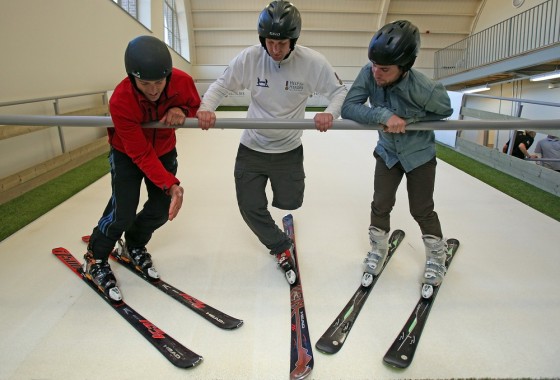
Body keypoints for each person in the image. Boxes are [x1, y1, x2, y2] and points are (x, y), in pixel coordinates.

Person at [196, 0, 347, 284]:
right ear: (262, 39)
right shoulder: (250, 58)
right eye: (270, 42)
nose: (276, 50)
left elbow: (339, 92)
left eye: (283, 43)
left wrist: (329, 113)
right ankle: (279, 246)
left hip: (289, 150)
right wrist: (207, 107)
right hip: (252, 146)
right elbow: (221, 85)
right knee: (250, 206)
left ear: (294, 40)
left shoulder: (312, 62)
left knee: (291, 202)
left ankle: (282, 215)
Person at [340, 20, 453, 295]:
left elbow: (445, 111)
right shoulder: (369, 73)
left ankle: (437, 255)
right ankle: (378, 249)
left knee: (421, 208)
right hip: (388, 153)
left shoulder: (425, 88)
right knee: (381, 203)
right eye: (374, 65)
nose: (376, 73)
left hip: (419, 156)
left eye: (385, 69)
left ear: (405, 67)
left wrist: (410, 118)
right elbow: (348, 108)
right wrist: (383, 115)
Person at [85, 35, 201, 301]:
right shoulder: (121, 100)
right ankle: (96, 256)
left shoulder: (182, 82)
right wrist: (171, 184)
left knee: (160, 210)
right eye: (145, 83)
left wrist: (180, 108)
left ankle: (133, 245)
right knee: (122, 211)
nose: (153, 90)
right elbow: (139, 152)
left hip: (164, 150)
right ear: (131, 77)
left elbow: (196, 106)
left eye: (159, 82)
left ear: (168, 75)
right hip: (127, 153)